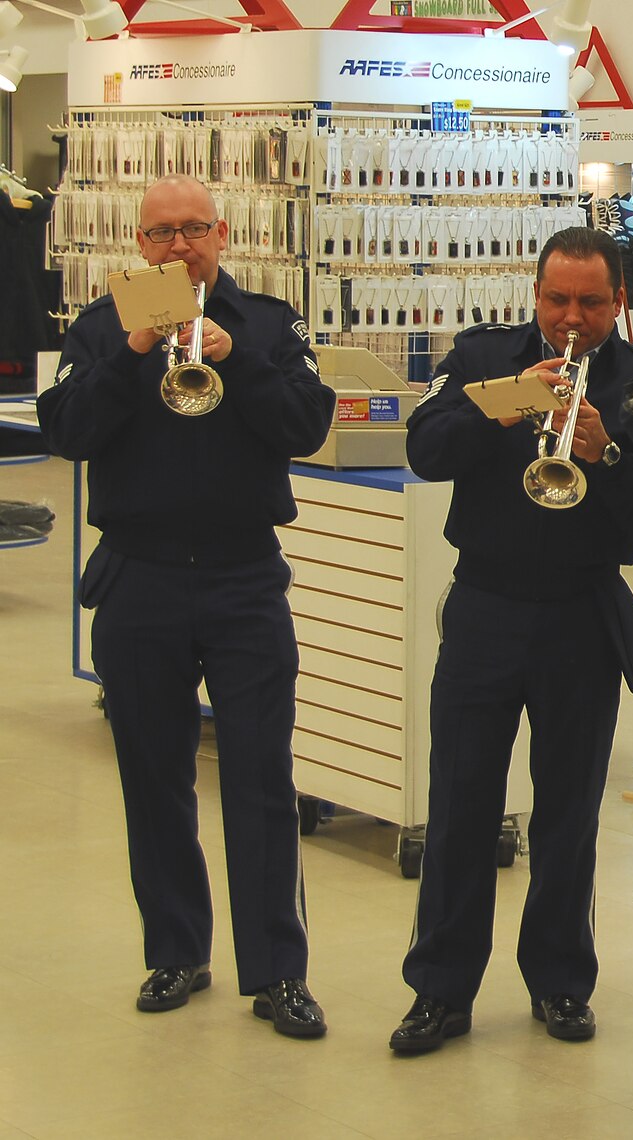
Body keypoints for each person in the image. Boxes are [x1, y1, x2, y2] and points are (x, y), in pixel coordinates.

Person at [38, 173, 334, 1036]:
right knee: (154, 777)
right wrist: (132, 352)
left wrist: (235, 363)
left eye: (193, 230)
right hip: (140, 579)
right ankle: (175, 953)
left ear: (223, 233)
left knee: (261, 782)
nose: (178, 247)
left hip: (245, 579)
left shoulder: (271, 326)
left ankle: (278, 973)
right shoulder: (99, 330)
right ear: (138, 244)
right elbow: (66, 434)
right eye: (161, 233)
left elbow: (306, 426)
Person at [389, 227, 633, 1054]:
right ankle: (440, 990)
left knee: (569, 816)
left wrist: (604, 448)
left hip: (584, 614)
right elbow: (424, 449)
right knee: (460, 804)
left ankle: (561, 983)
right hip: (487, 608)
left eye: (590, 303)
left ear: (618, 302)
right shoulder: (480, 357)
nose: (571, 320)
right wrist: (504, 400)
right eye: (556, 300)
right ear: (534, 296)